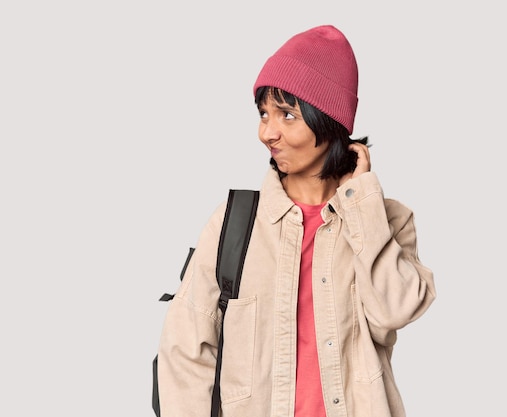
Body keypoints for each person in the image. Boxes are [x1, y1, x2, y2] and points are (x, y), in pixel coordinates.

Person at [157, 24, 436, 417]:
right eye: (264, 114)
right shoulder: (234, 224)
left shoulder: (387, 220)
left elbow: (395, 311)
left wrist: (363, 203)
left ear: (328, 120)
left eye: (287, 115)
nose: (266, 132)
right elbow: (184, 353)